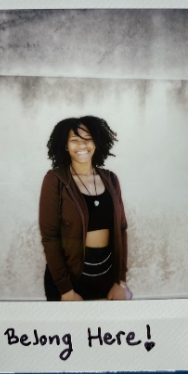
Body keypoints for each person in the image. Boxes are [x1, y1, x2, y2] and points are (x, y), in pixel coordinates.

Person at [39, 116, 131, 301]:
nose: (82, 145)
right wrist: (66, 290)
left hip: (107, 276)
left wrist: (120, 281)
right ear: (65, 145)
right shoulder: (55, 180)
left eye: (87, 139)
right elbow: (50, 237)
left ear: (97, 142)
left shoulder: (111, 179)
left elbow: (121, 230)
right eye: (74, 140)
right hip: (71, 279)